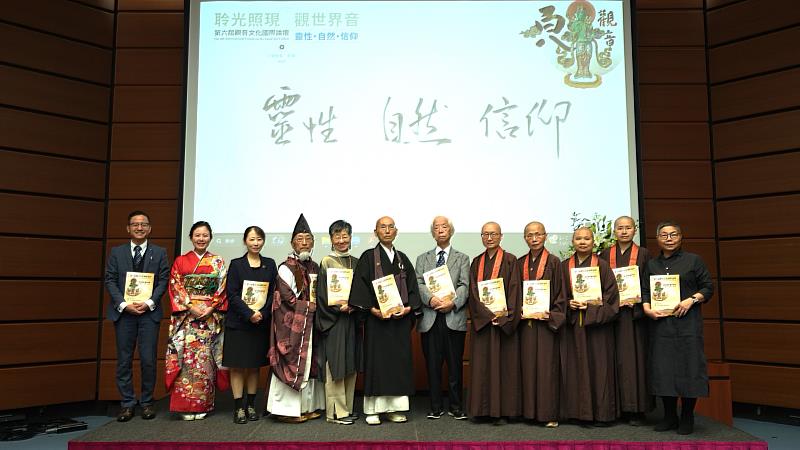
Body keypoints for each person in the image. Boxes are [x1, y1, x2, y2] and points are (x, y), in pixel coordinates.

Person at [643, 220, 713, 435]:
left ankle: (687, 416)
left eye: (673, 234)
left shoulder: (694, 261)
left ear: (681, 237)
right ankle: (670, 416)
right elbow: (645, 291)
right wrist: (647, 309)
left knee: (689, 369)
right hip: (661, 326)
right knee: (664, 370)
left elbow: (708, 287)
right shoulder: (652, 265)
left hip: (687, 325)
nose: (669, 238)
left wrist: (691, 300)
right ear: (658, 239)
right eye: (664, 235)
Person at [350, 216, 422, 425]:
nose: (388, 231)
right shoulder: (368, 257)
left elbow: (412, 288)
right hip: (377, 322)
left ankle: (395, 408)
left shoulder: (402, 259)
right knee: (377, 363)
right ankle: (373, 410)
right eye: (383, 227)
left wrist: (408, 308)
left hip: (399, 322)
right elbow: (360, 288)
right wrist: (373, 310)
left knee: (398, 364)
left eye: (391, 227)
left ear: (396, 231)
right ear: (376, 232)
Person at [104, 210, 169, 422]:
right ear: (128, 228)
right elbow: (110, 280)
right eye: (135, 224)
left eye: (143, 224)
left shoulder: (159, 252)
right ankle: (127, 403)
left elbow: (163, 281)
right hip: (124, 314)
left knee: (149, 359)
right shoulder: (117, 252)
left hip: (148, 313)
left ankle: (147, 402)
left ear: (149, 228)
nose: (139, 228)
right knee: (124, 360)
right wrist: (123, 304)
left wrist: (149, 303)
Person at [165, 221, 228, 420]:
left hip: (208, 319)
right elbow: (175, 286)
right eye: (197, 235)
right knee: (186, 361)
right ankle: (184, 406)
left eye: (205, 235)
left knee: (205, 362)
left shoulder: (217, 261)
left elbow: (222, 288)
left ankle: (203, 405)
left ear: (210, 238)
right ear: (191, 237)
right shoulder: (181, 261)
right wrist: (191, 306)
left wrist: (210, 307)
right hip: (187, 319)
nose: (201, 239)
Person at [266, 214, 325, 423]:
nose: (305, 243)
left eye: (308, 239)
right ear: (292, 243)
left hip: (309, 326)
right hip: (290, 327)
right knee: (292, 362)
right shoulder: (286, 267)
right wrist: (311, 307)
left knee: (309, 365)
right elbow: (287, 298)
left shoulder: (315, 267)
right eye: (300, 239)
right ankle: (285, 410)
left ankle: (306, 407)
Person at [560, 227, 620, 426]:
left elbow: (612, 298)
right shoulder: (563, 267)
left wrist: (591, 306)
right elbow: (557, 296)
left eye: (587, 238)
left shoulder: (602, 266)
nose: (582, 242)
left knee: (599, 368)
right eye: (578, 238)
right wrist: (568, 303)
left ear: (593, 241)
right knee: (574, 368)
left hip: (597, 328)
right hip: (573, 327)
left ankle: (602, 414)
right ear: (573, 241)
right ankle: (576, 413)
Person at [598, 216, 653, 426]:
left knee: (633, 361)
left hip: (633, 316)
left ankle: (635, 409)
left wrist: (640, 303)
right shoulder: (604, 255)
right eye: (619, 228)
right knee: (611, 360)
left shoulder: (644, 254)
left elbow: (648, 283)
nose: (623, 231)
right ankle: (615, 407)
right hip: (610, 316)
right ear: (614, 231)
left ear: (634, 230)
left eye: (628, 228)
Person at [415, 216, 470, 420]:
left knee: (455, 365)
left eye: (444, 226)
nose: (440, 230)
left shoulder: (462, 258)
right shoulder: (422, 258)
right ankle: (435, 406)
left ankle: (456, 406)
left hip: (453, 317)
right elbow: (418, 283)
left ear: (451, 231)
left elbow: (465, 285)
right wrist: (432, 300)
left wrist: (452, 303)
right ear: (433, 233)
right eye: (436, 227)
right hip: (430, 318)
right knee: (432, 365)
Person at [466, 221, 521, 425]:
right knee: (481, 366)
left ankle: (503, 410)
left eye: (493, 234)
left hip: (502, 322)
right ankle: (482, 409)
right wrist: (487, 315)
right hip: (484, 323)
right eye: (485, 234)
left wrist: (505, 317)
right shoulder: (476, 262)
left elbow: (515, 291)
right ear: (481, 237)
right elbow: (472, 294)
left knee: (503, 366)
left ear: (501, 236)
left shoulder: (510, 260)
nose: (489, 238)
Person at [223, 226, 278, 424]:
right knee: (237, 366)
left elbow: (274, 293)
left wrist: (261, 314)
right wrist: (249, 314)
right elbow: (232, 294)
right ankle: (238, 407)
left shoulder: (270, 264)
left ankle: (251, 405)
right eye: (252, 239)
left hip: (260, 323)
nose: (256, 243)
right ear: (245, 241)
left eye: (259, 239)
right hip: (239, 323)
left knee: (254, 366)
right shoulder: (236, 265)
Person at [516, 221, 565, 427]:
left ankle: (548, 414)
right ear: (525, 238)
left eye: (538, 234)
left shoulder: (554, 262)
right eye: (529, 235)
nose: (534, 238)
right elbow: (513, 293)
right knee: (527, 368)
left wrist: (552, 314)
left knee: (547, 369)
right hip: (526, 325)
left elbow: (562, 294)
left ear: (545, 236)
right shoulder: (519, 263)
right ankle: (528, 413)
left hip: (546, 325)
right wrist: (516, 309)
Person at [315, 220, 360, 425]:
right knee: (335, 366)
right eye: (337, 237)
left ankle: (348, 408)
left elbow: (361, 292)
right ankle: (335, 412)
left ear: (350, 237)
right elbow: (322, 294)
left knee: (350, 364)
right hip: (334, 322)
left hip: (351, 319)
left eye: (345, 236)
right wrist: (337, 308)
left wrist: (355, 306)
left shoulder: (357, 262)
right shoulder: (326, 262)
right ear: (331, 239)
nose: (342, 241)